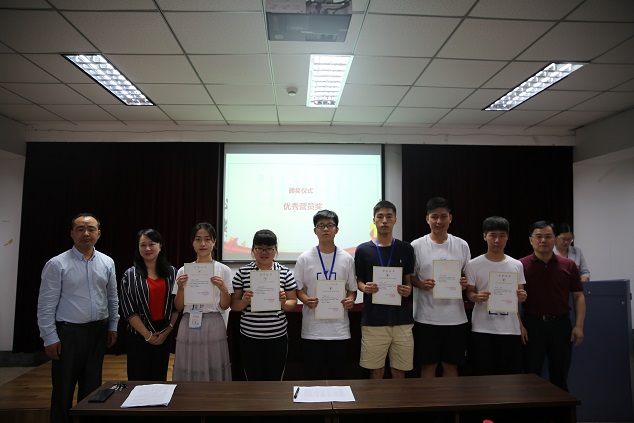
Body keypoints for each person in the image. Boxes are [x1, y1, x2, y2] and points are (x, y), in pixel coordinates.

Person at [37, 213, 119, 423]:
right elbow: (46, 305)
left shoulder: (107, 262)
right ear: (72, 233)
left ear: (98, 233)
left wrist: (113, 326)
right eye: (80, 229)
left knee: (93, 388)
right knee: (63, 388)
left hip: (98, 331)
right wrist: (49, 337)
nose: (86, 233)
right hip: (69, 333)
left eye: (91, 229)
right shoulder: (57, 264)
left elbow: (112, 297)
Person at [520, 220, 586, 391]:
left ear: (555, 239)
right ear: (530, 240)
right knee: (531, 376)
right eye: (539, 236)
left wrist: (579, 326)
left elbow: (578, 296)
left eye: (548, 236)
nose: (543, 240)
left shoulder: (569, 265)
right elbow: (514, 299)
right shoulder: (520, 265)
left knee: (560, 377)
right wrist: (519, 325)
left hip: (561, 326)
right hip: (532, 326)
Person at [411, 197, 470, 378]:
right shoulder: (416, 245)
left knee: (451, 367)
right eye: (434, 216)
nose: (439, 221)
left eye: (443, 216)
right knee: (428, 367)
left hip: (455, 318)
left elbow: (467, 275)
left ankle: (450, 399)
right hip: (426, 318)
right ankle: (428, 399)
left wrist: (464, 283)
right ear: (427, 219)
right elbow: (409, 277)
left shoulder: (462, 245)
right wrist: (421, 284)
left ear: (450, 218)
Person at [295, 210, 357, 380]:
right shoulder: (304, 258)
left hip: (339, 331)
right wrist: (306, 300)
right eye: (321, 225)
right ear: (315, 230)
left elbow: (352, 289)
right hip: (313, 330)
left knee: (338, 377)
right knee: (313, 377)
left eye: (330, 225)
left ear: (337, 229)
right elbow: (298, 289)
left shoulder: (347, 258)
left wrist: (350, 299)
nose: (326, 229)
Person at [355, 200, 414, 379]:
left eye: (389, 216)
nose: (384, 221)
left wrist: (408, 290)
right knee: (376, 370)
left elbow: (408, 281)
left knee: (399, 370)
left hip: (402, 320)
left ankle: (398, 399)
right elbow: (359, 281)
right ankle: (377, 399)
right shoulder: (363, 250)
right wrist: (365, 287)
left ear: (395, 219)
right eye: (380, 216)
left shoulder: (406, 248)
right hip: (374, 320)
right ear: (374, 220)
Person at [231, 229, 298, 381]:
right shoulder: (243, 272)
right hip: (249, 336)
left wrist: (283, 302)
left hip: (277, 336)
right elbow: (233, 305)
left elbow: (293, 303)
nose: (264, 252)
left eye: (269, 248)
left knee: (275, 380)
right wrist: (244, 301)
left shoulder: (285, 272)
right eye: (259, 248)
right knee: (253, 380)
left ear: (275, 250)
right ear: (253, 249)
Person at [465, 216, 527, 376]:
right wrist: (476, 297)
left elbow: (519, 295)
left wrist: (522, 296)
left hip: (510, 330)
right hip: (482, 328)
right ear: (484, 236)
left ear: (507, 237)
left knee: (510, 379)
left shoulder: (516, 265)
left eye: (502, 235)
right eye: (493, 235)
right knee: (482, 377)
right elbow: (469, 292)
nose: (497, 240)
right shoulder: (473, 264)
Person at [172, 222, 233, 381]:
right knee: (189, 366)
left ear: (214, 242)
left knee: (213, 366)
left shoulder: (223, 270)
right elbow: (178, 306)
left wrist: (224, 290)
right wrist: (181, 289)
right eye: (198, 239)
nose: (203, 244)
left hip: (214, 322)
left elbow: (225, 305)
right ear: (192, 243)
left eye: (207, 239)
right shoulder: (183, 271)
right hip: (189, 322)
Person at [119, 228, 178, 381]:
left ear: (160, 246)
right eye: (143, 245)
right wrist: (147, 335)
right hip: (138, 335)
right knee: (137, 379)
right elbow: (128, 310)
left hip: (164, 333)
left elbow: (176, 307)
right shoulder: (129, 275)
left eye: (152, 244)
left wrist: (166, 332)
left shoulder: (172, 273)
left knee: (159, 379)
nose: (147, 249)